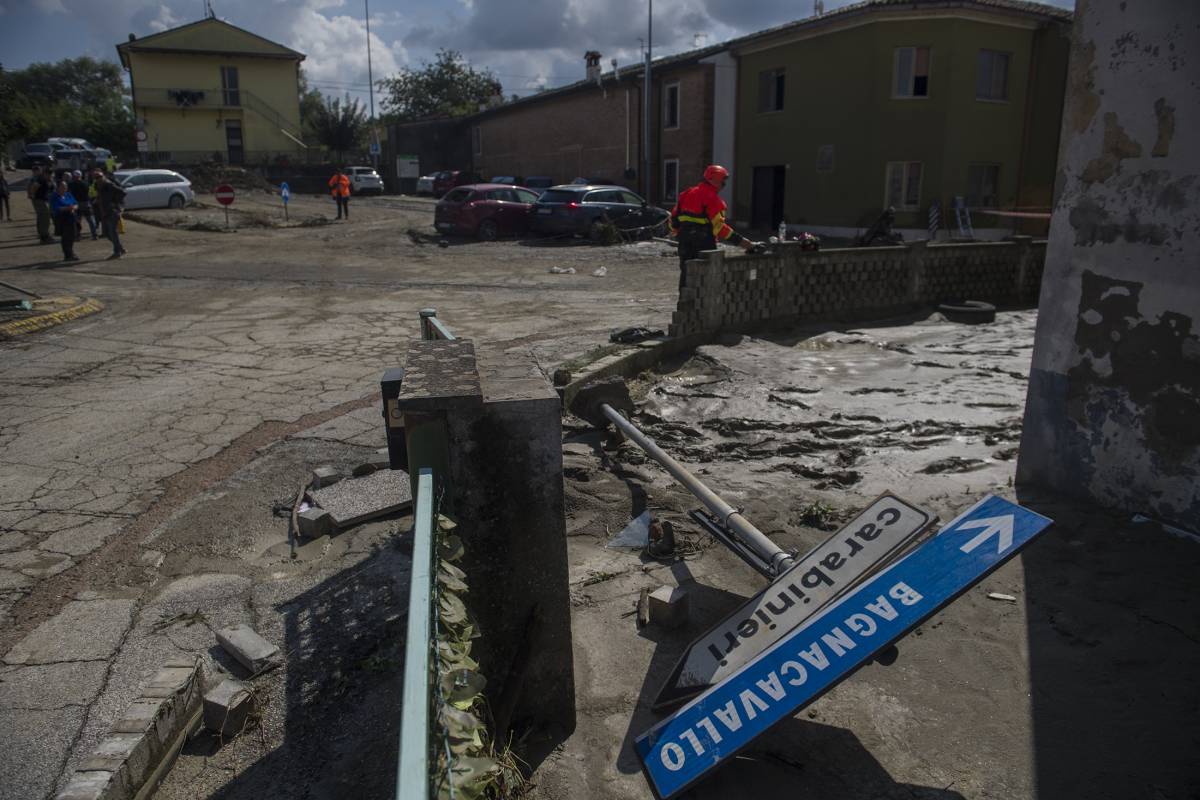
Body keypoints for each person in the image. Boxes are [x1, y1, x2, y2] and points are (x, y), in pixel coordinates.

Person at [669, 164, 757, 291]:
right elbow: (720, 229)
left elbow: (673, 221)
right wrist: (745, 243)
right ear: (715, 180)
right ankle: (701, 309)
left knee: (687, 276)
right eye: (723, 180)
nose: (724, 184)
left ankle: (684, 306)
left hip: (684, 243)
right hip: (704, 244)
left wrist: (681, 233)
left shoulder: (686, 194)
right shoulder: (713, 199)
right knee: (704, 280)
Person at [93, 170, 127, 259]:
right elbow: (100, 196)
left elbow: (122, 192)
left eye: (99, 177)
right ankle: (120, 248)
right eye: (96, 178)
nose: (98, 179)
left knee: (113, 232)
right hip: (104, 212)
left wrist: (115, 203)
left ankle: (117, 252)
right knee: (106, 233)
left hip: (112, 211)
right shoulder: (98, 186)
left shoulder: (109, 184)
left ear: (103, 177)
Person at [50, 181, 80, 261]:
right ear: (58, 187)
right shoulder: (55, 196)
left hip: (71, 217)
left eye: (65, 186)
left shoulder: (68, 194)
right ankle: (68, 254)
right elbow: (56, 208)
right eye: (62, 187)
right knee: (66, 237)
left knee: (72, 236)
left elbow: (76, 203)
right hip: (62, 219)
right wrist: (68, 208)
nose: (64, 188)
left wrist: (74, 207)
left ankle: (71, 252)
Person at [27, 165, 54, 244]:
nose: (50, 175)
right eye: (49, 173)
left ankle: (43, 235)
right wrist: (32, 194)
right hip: (39, 200)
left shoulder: (45, 179)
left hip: (41, 200)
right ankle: (44, 236)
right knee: (45, 218)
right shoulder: (41, 179)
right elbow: (34, 187)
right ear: (45, 173)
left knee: (41, 217)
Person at [68, 170, 92, 239]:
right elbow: (89, 193)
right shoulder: (85, 183)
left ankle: (77, 235)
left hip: (76, 204)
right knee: (89, 219)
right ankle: (94, 234)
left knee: (77, 220)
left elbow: (69, 194)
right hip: (84, 202)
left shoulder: (71, 184)